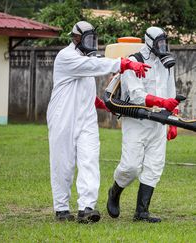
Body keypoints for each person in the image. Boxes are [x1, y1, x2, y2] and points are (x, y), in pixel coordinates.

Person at [47, 21, 151, 223]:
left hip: (86, 119)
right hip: (63, 118)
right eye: (88, 39)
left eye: (94, 39)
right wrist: (124, 63)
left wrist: (104, 104)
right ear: (76, 38)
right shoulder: (66, 56)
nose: (92, 43)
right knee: (63, 163)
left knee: (90, 161)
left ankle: (86, 208)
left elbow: (84, 89)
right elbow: (93, 66)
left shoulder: (87, 59)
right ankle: (61, 208)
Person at [106, 26, 179, 223]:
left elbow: (171, 93)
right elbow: (137, 94)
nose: (162, 47)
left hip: (159, 122)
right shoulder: (134, 61)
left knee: (154, 166)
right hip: (137, 120)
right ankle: (114, 192)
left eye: (164, 43)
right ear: (148, 42)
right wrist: (161, 102)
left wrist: (173, 121)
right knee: (130, 166)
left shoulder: (167, 64)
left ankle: (142, 212)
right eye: (158, 43)